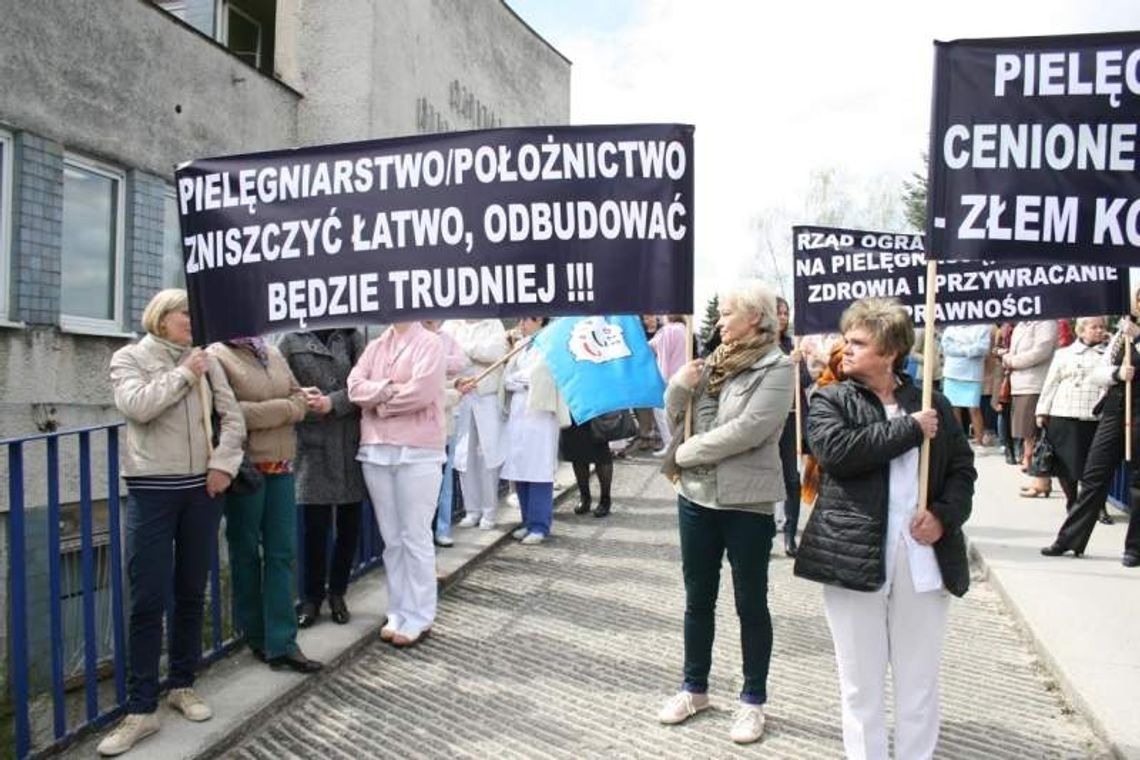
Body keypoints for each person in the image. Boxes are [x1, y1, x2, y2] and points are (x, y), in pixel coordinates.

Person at [794, 297, 976, 760]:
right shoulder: (830, 398)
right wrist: (911, 430)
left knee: (918, 682)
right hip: (852, 556)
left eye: (858, 341)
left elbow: (962, 472)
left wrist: (943, 516)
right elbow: (837, 453)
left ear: (890, 351)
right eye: (845, 338)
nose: (845, 348)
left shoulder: (932, 402)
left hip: (921, 556)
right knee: (861, 684)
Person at [99, 289, 245, 756]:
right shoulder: (129, 357)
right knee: (147, 597)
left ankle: (182, 684)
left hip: (201, 490)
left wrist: (224, 464)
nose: (191, 321)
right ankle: (141, 708)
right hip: (152, 490)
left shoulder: (208, 360)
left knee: (190, 591)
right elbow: (137, 406)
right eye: (186, 314)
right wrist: (184, 374)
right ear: (162, 319)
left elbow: (233, 417)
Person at [656, 280, 792, 745]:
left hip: (746, 501)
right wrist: (679, 384)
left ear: (755, 316)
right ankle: (694, 689)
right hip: (696, 497)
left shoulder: (778, 367)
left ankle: (753, 701)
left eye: (729, 312)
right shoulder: (709, 363)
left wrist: (689, 453)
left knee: (750, 602)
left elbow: (751, 430)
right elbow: (676, 415)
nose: (719, 321)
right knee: (698, 598)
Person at [210, 337, 320, 673]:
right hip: (246, 470)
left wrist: (285, 407)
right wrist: (287, 409)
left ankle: (283, 642)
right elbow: (231, 413)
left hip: (282, 466)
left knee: (282, 553)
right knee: (245, 555)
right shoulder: (218, 355)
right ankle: (256, 636)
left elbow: (301, 398)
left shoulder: (270, 351)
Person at [348, 320, 446, 645]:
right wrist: (389, 389)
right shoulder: (375, 345)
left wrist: (379, 401)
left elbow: (422, 393)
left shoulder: (430, 342)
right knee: (391, 539)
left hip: (418, 450)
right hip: (375, 449)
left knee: (415, 535)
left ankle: (420, 614)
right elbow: (353, 388)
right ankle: (398, 609)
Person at [277, 328, 366, 629]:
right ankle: (311, 598)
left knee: (349, 525)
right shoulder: (291, 340)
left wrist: (335, 402)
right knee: (314, 528)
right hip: (312, 445)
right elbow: (278, 384)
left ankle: (338, 592)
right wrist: (303, 398)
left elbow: (364, 384)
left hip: (349, 441)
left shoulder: (352, 336)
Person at [1042, 310, 1140, 567]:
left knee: (1138, 484)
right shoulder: (1122, 335)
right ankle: (1070, 539)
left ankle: (1135, 548)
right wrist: (1117, 374)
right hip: (1115, 412)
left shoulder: (1134, 335)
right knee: (1094, 476)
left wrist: (1139, 339)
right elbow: (1097, 374)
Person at [1029, 317, 1112, 515]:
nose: (1099, 330)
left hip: (1096, 416)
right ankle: (1072, 501)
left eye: (1102, 327)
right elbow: (1051, 383)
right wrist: (1042, 411)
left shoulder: (1110, 354)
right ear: (1081, 330)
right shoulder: (1063, 354)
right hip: (1065, 413)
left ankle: (1096, 505)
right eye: (1094, 327)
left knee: (1095, 466)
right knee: (1067, 465)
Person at [500, 317, 568, 544]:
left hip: (540, 413)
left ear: (539, 320)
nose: (521, 323)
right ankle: (527, 520)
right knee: (520, 467)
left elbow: (539, 376)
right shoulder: (522, 345)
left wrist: (518, 379)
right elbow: (508, 378)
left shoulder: (550, 343)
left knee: (538, 469)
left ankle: (540, 525)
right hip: (519, 410)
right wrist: (519, 380)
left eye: (525, 319)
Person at [443, 319, 509, 529]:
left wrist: (465, 350)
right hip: (459, 394)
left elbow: (497, 352)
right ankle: (471, 510)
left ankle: (489, 512)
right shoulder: (450, 324)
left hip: (486, 395)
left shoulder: (493, 323)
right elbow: (443, 358)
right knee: (463, 455)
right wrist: (474, 356)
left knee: (489, 454)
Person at [423, 319, 470, 547]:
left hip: (445, 421)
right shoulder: (411, 340)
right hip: (420, 426)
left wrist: (437, 359)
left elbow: (460, 361)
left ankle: (442, 528)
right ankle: (424, 532)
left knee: (445, 479)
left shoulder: (445, 337)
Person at [1002, 320, 1058, 495]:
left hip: (1036, 383)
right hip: (1019, 383)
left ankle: (1040, 476)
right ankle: (1038, 475)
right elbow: (1012, 351)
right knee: (1026, 430)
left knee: (1038, 433)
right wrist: (1008, 357)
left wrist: (1012, 360)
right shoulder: (1021, 325)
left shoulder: (1046, 323)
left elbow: (1041, 352)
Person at [775, 296, 811, 557]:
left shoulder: (792, 344)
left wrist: (798, 363)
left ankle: (790, 534)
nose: (783, 317)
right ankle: (764, 530)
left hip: (791, 418)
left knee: (791, 477)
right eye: (778, 312)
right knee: (764, 475)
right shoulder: (759, 346)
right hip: (765, 419)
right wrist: (787, 362)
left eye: (786, 312)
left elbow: (806, 381)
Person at [940, 324, 992, 446]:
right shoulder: (950, 328)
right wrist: (969, 348)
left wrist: (960, 348)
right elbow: (947, 348)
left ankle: (979, 442)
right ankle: (959, 441)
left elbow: (983, 348)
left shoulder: (982, 327)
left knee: (974, 409)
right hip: (952, 373)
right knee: (953, 408)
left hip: (972, 374)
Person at [649, 315, 688, 455]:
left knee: (661, 411)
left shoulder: (667, 331)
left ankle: (670, 444)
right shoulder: (686, 330)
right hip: (685, 376)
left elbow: (651, 347)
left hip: (669, 377)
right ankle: (681, 443)